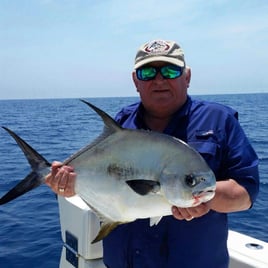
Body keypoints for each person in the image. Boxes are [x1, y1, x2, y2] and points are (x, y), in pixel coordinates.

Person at [46, 39, 259, 268]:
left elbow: (246, 193)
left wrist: (203, 197)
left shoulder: (219, 121)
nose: (159, 80)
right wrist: (68, 185)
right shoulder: (123, 123)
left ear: (186, 77)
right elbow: (105, 183)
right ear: (136, 81)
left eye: (170, 70)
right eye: (148, 72)